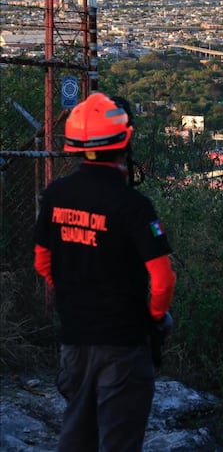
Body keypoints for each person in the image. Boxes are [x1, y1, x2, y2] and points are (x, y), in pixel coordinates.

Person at [33, 91, 176, 451]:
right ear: (124, 140)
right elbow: (162, 279)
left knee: (76, 434)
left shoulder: (56, 194)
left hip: (75, 338)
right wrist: (154, 317)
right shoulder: (133, 205)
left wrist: (71, 294)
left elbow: (42, 261)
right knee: (119, 439)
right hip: (123, 344)